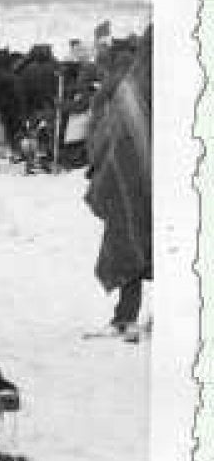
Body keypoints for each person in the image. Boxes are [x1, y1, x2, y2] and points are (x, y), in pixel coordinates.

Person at [84, 33, 151, 340]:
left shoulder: (128, 90)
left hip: (132, 181)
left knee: (129, 243)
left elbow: (105, 135)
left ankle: (126, 317)